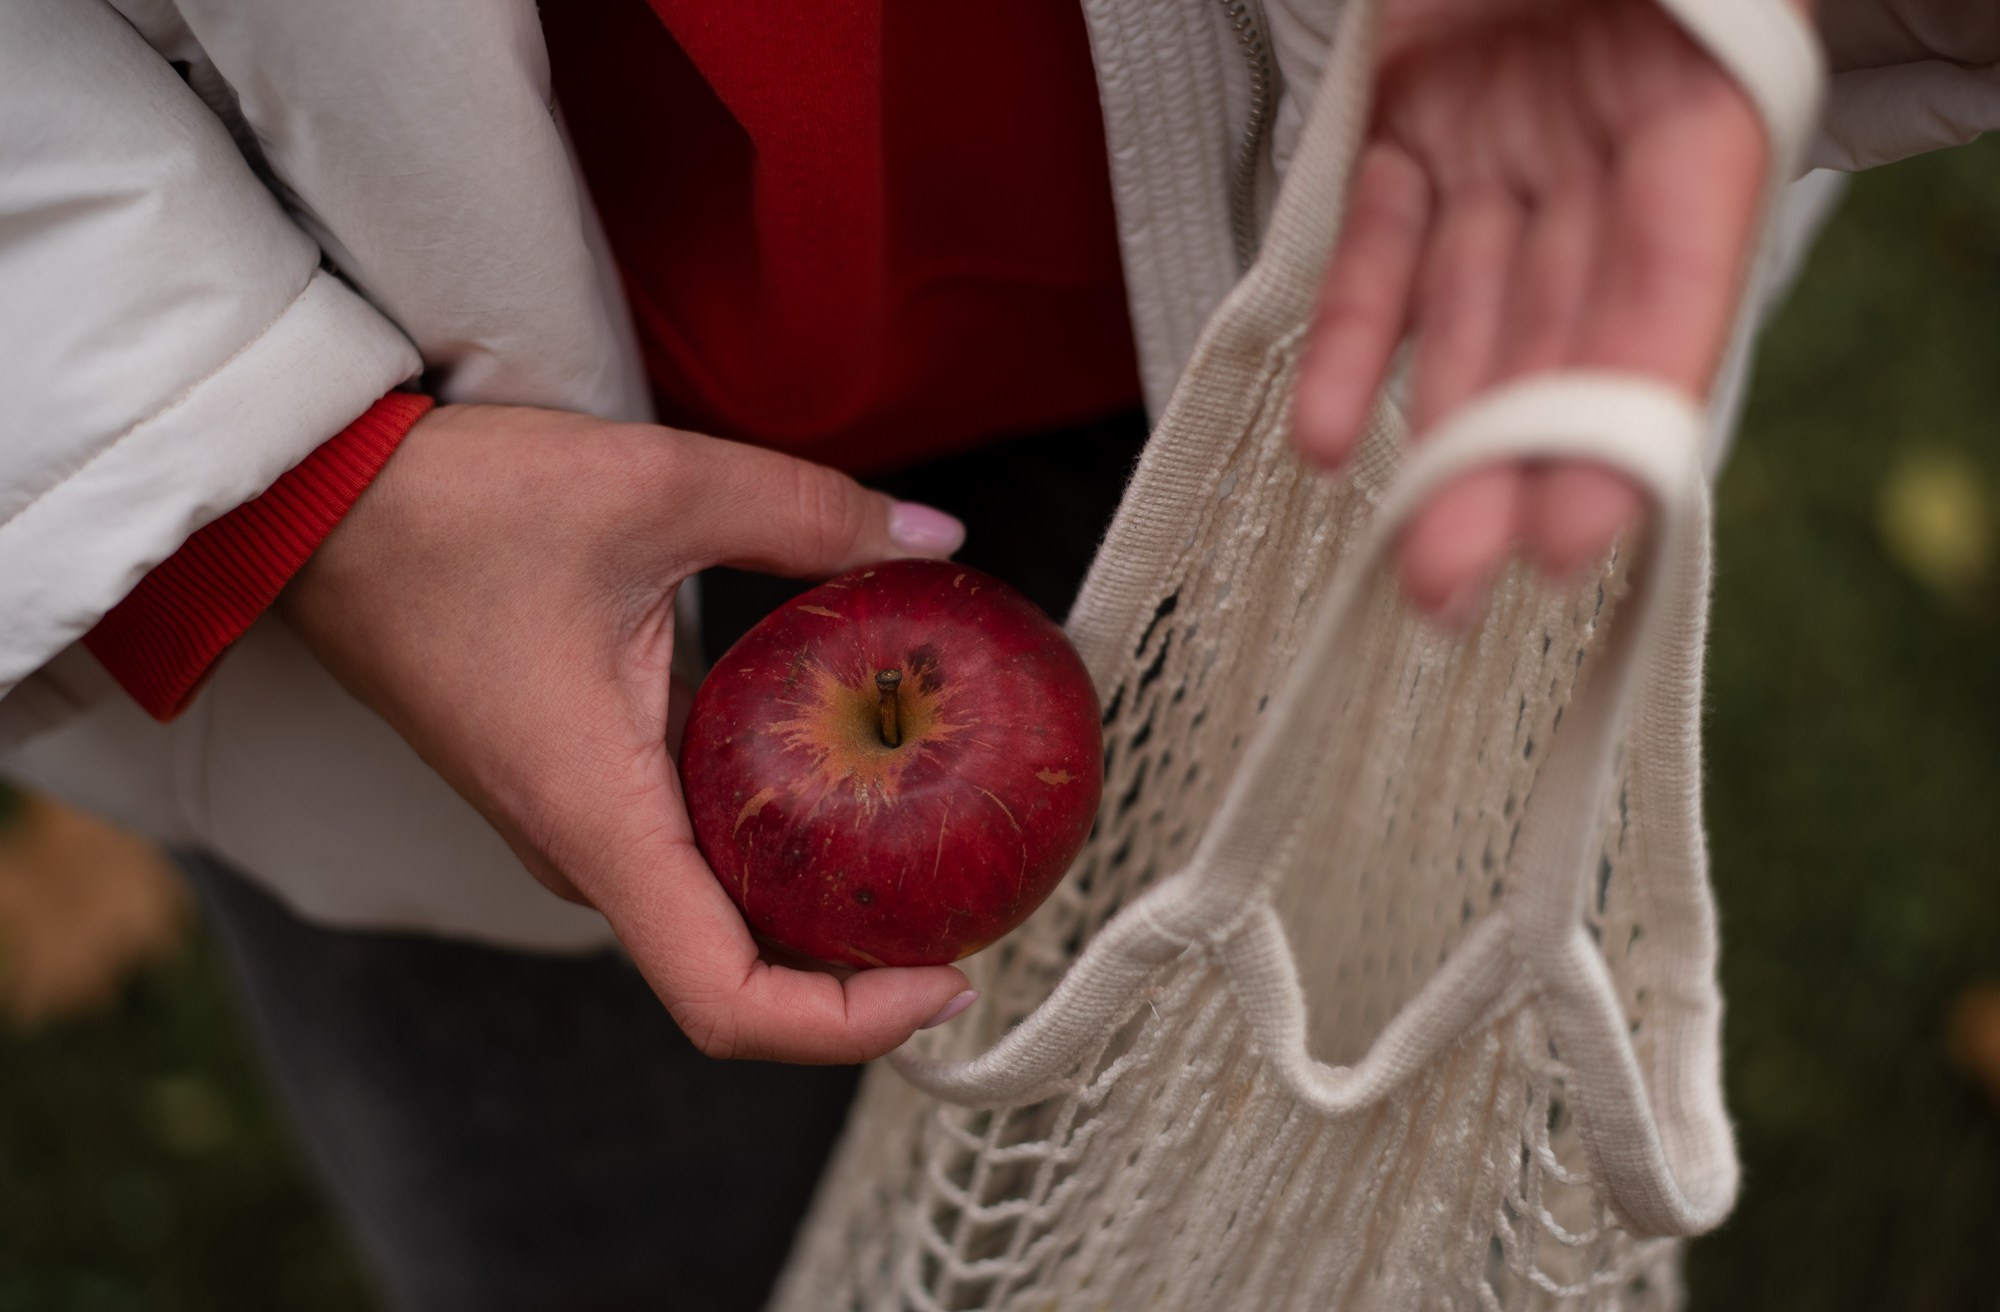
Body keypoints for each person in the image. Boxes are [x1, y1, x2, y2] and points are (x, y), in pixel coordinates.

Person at [1, 0, 1992, 1306]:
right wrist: (274, 467)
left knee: (1279, 1109)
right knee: (610, 1204)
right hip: (444, 473)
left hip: (1302, 313)